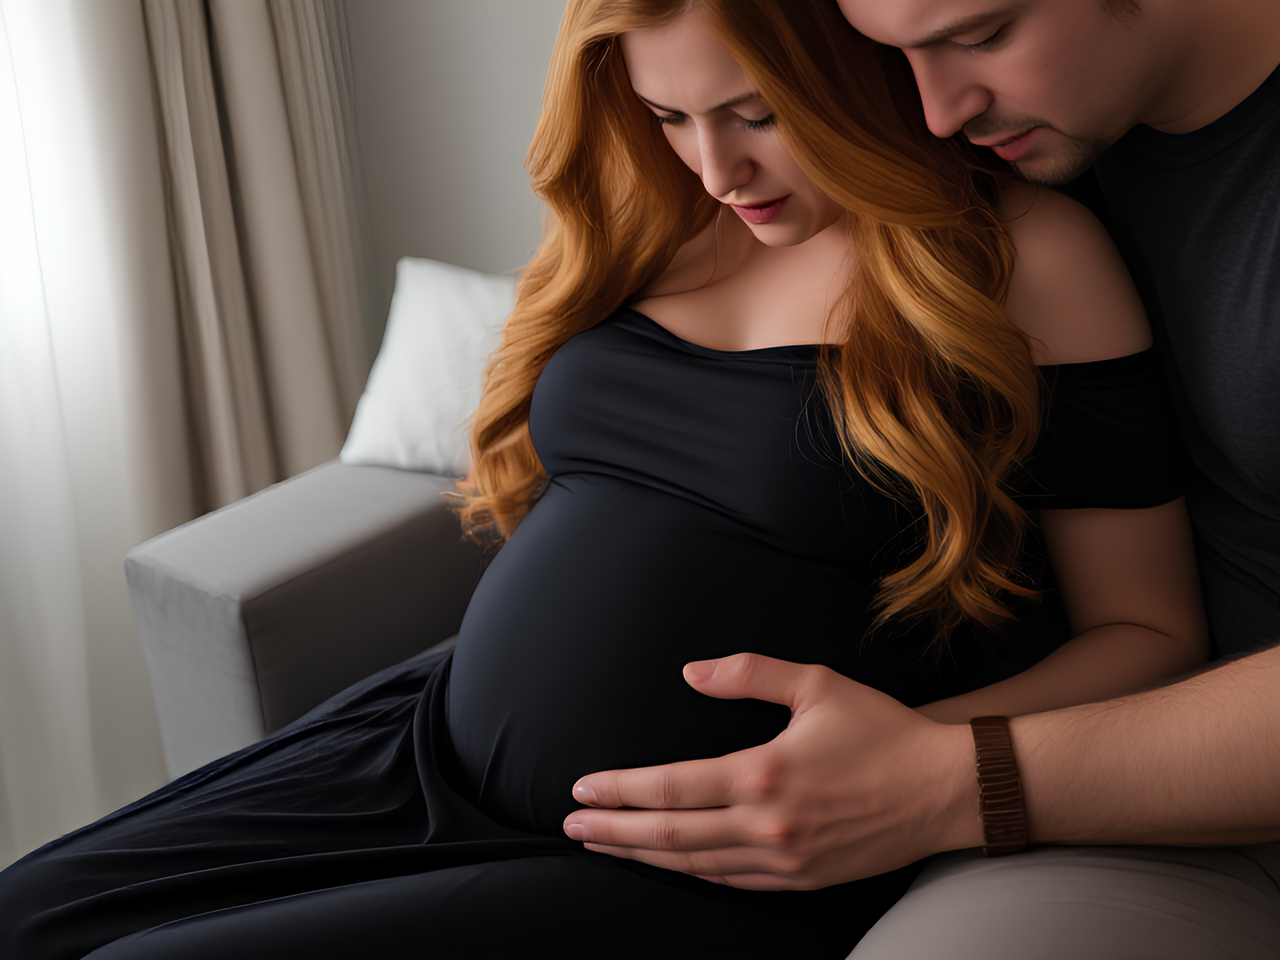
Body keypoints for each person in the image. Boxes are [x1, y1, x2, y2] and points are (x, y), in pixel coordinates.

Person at [0, 1, 1206, 958]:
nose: (717, 165)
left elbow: (1148, 631)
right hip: (417, 743)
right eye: (671, 116)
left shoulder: (1018, 257)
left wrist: (903, 762)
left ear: (851, 69)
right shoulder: (661, 219)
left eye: (753, 112)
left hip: (689, 847)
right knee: (28, 913)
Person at [562, 0, 1280, 956]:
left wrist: (942, 777)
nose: (935, 111)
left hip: (1188, 786)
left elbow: (1145, 627)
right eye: (890, 52)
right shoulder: (1043, 132)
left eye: (979, 35)